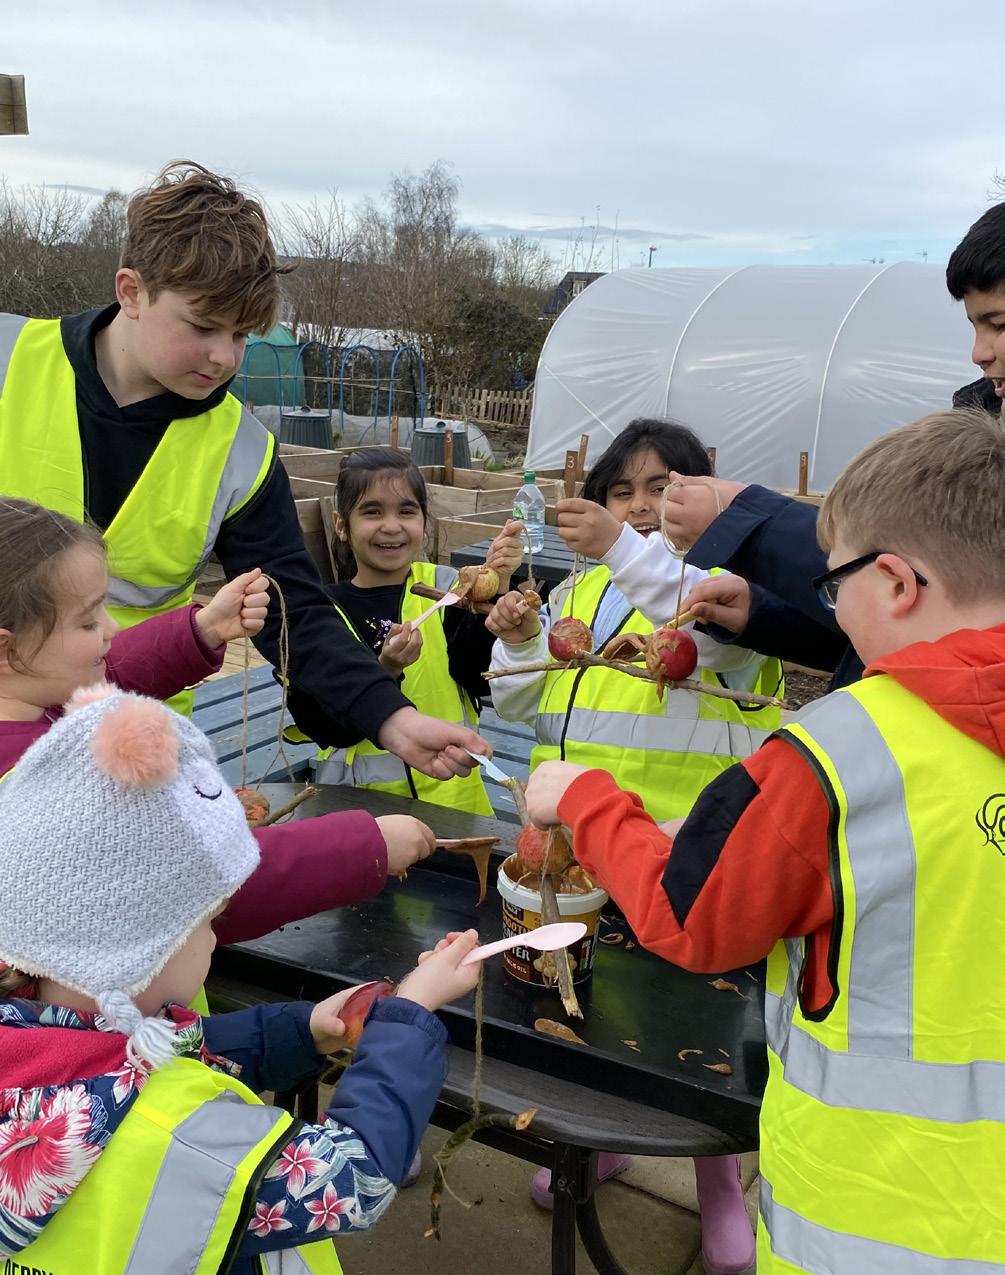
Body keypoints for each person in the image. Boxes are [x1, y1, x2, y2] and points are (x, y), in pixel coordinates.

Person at [524, 406, 1005, 1272]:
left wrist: (586, 801)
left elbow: (694, 918)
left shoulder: (842, 750)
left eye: (831, 588)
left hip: (870, 1216)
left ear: (894, 583)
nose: (830, 610)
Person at [0, 158, 487, 781]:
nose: (224, 358)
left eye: (242, 336)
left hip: (128, 753)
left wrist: (392, 717)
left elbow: (293, 609)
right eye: (203, 327)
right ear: (131, 292)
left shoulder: (242, 450)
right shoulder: (9, 360)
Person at [0, 682, 481, 1272]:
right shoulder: (175, 1136)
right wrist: (411, 1013)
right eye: (209, 922)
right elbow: (353, 1179)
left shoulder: (33, 1035)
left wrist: (300, 1031)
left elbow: (148, 1060)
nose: (213, 939)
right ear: (138, 956)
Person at [487, 420, 780, 1274]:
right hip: (574, 848)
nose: (640, 504)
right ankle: (602, 1144)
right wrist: (519, 638)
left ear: (704, 497)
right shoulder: (579, 589)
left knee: (692, 1020)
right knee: (592, 998)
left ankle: (718, 1182)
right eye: (621, 491)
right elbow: (522, 702)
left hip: (679, 846)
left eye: (662, 487)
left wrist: (619, 545)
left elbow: (711, 646)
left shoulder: (725, 588)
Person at [0, 497, 436, 991]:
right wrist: (365, 847)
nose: (112, 627)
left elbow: (105, 674)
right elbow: (197, 881)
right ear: (7, 649)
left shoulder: (32, 703)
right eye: (87, 621)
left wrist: (200, 631)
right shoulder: (53, 787)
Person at [650, 203, 1005, 690]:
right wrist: (760, 614)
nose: (978, 352)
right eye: (974, 326)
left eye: (998, 325)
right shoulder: (975, 422)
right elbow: (906, 626)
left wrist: (748, 520)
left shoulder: (980, 457)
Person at [284, 449, 523, 815]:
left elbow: (480, 679)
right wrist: (385, 671)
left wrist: (496, 588)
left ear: (424, 523)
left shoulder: (449, 589)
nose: (392, 526)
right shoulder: (319, 615)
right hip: (364, 816)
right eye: (372, 512)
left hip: (456, 810)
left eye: (407, 512)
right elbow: (323, 727)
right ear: (341, 525)